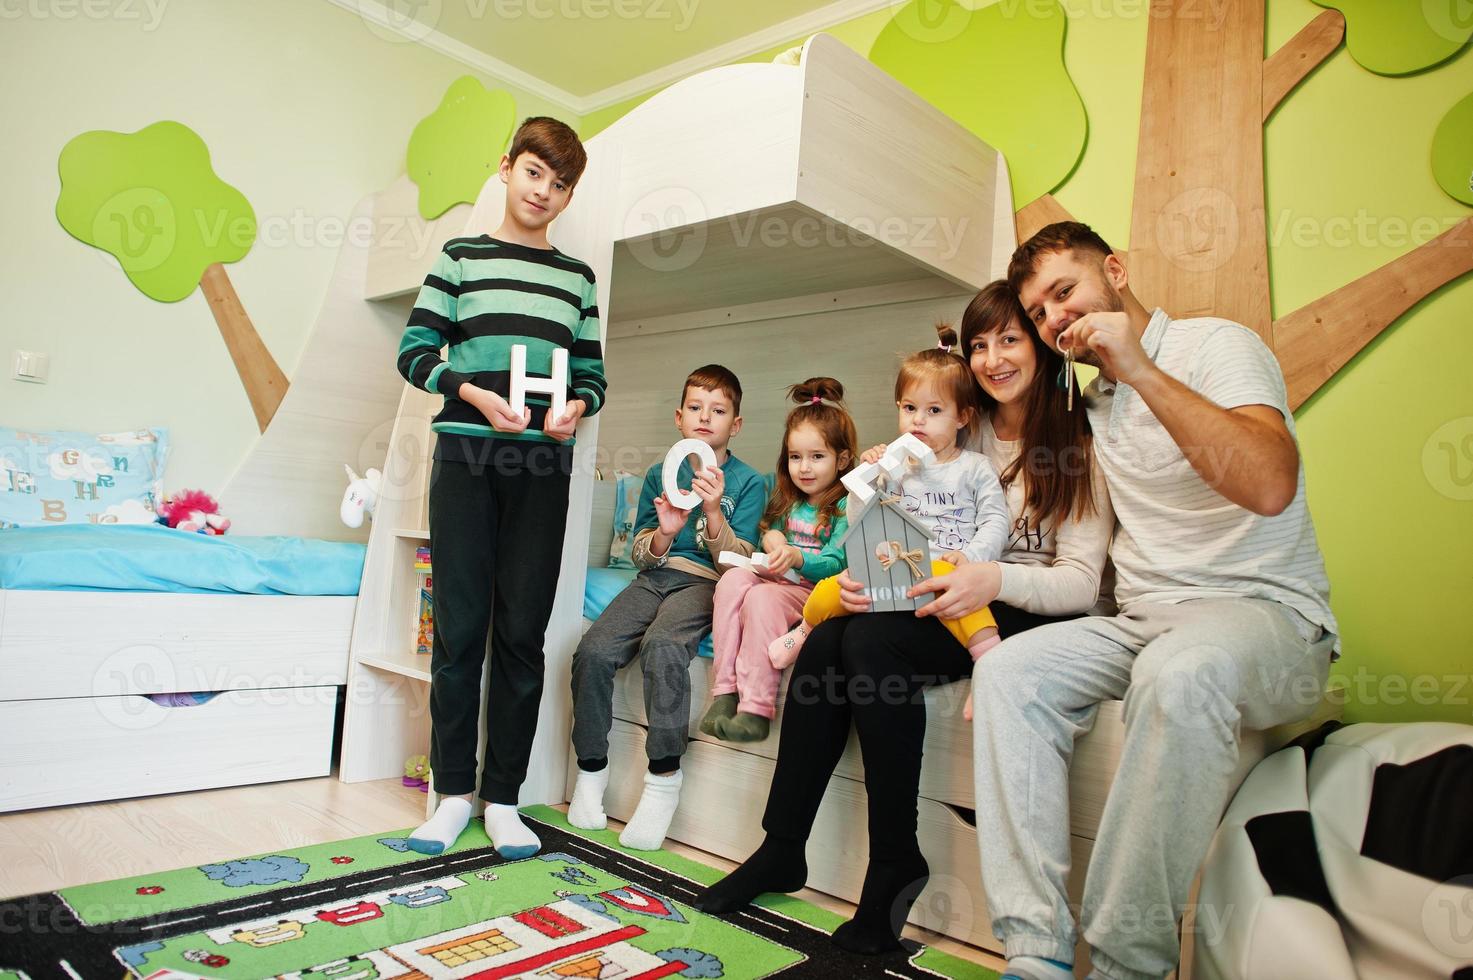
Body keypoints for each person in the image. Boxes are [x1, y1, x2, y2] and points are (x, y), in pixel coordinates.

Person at [975, 222, 1337, 980]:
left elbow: (1269, 483)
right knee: (1009, 673)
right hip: (1141, 621)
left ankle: (1123, 964)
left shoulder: (1213, 346)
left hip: (1265, 617)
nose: (1054, 321)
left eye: (1063, 293)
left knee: (1180, 672)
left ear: (1116, 270)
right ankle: (1034, 951)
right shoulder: (1088, 401)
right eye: (1038, 314)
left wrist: (1138, 369)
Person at [694, 309, 1111, 955]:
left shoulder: (1076, 445)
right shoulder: (950, 440)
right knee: (834, 635)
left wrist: (987, 579)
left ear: (1045, 349)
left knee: (866, 641)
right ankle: (781, 846)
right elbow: (896, 526)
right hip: (940, 585)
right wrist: (865, 570)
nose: (993, 357)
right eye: (980, 344)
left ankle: (893, 861)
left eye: (1009, 340)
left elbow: (1080, 583)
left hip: (1025, 600)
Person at [396, 117, 605, 858]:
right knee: (458, 631)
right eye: (533, 173)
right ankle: (452, 793)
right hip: (464, 459)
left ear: (568, 193)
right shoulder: (458, 258)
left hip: (540, 470)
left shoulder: (577, 280)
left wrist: (577, 407)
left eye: (559, 183)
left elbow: (591, 375)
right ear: (506, 167)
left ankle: (503, 798)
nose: (542, 192)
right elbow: (415, 352)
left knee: (522, 633)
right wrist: (475, 397)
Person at [567, 364, 767, 850]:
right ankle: (590, 772)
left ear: (734, 425)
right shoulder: (661, 472)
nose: (705, 418)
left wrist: (715, 510)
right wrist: (666, 532)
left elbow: (738, 566)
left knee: (662, 646)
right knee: (592, 652)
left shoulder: (749, 482)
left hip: (704, 583)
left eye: (718, 411)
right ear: (680, 418)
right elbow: (639, 552)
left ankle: (663, 778)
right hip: (655, 575)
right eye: (696, 408)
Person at [767, 326, 1011, 665]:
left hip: (946, 571)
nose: (918, 421)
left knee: (973, 614)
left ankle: (989, 659)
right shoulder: (895, 467)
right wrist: (869, 477)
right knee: (830, 589)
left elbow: (996, 520)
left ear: (963, 416)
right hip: (891, 569)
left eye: (934, 411)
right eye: (910, 408)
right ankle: (804, 630)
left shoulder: (974, 467)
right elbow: (857, 522)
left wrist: (971, 557)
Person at [702, 377, 858, 743]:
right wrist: (771, 537)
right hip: (778, 579)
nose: (804, 468)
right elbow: (768, 529)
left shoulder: (845, 506)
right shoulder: (787, 496)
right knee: (731, 581)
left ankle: (755, 709)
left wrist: (798, 558)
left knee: (761, 597)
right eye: (795, 457)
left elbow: (836, 562)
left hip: (814, 593)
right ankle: (724, 691)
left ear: (843, 459)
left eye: (817, 457)